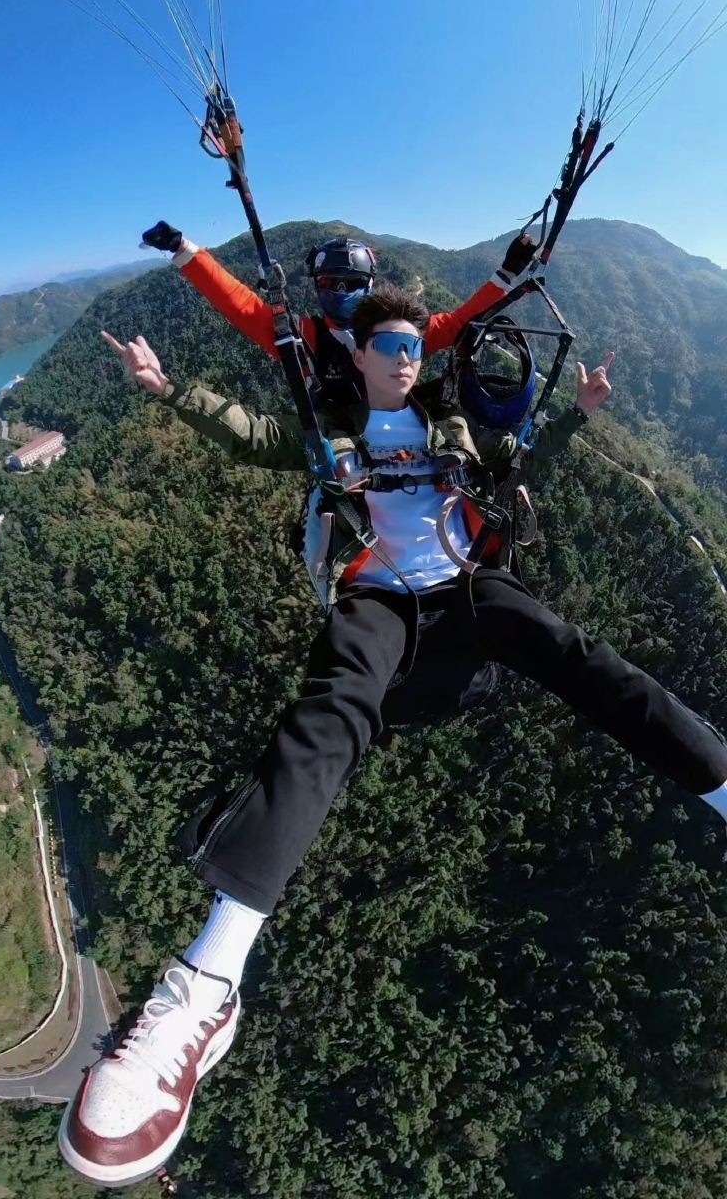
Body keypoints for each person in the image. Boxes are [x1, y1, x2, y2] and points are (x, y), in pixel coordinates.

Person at [60, 286, 727, 1188]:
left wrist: (577, 413)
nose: (410, 358)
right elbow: (248, 435)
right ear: (362, 355)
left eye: (418, 346)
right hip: (378, 600)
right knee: (328, 710)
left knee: (580, 656)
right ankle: (205, 987)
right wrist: (166, 389)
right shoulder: (329, 430)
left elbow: (514, 462)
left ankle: (718, 780)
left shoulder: (446, 427)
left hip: (463, 587)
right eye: (394, 347)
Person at [143, 220, 539, 408]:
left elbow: (458, 322)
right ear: (316, 285)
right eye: (331, 283)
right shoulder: (306, 339)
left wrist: (506, 274)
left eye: (350, 282)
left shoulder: (401, 331)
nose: (341, 292)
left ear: (369, 283)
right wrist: (184, 251)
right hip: (341, 448)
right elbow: (241, 305)